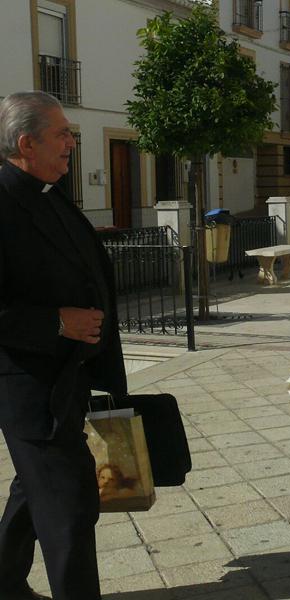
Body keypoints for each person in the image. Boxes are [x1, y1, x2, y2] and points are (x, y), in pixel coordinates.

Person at [0, 91, 128, 600]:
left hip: (70, 379)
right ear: (26, 143)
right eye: (61, 133)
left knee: (34, 492)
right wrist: (55, 321)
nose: (71, 142)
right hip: (32, 391)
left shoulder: (49, 191)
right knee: (71, 508)